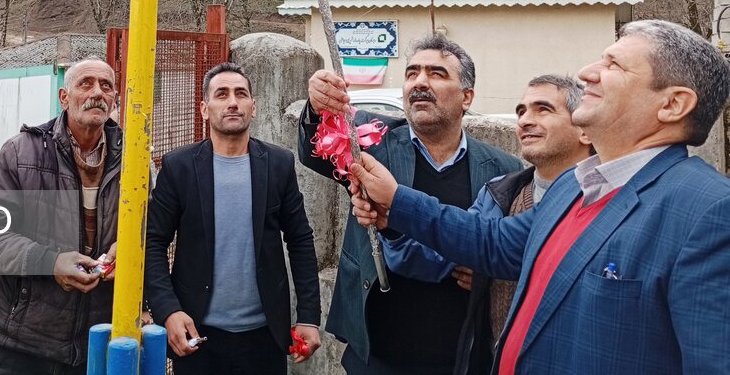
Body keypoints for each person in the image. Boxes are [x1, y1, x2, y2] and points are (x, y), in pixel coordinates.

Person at [350, 20, 730, 375]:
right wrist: (396, 199)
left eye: (614, 64)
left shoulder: (709, 213)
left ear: (672, 104)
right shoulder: (575, 187)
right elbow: (493, 242)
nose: (587, 73)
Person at [298, 35, 521, 375]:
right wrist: (317, 106)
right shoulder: (371, 145)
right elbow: (315, 150)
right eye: (412, 72)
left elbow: (509, 250)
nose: (419, 82)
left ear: (467, 96)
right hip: (378, 354)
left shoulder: (503, 169)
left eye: (436, 73)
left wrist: (489, 275)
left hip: (460, 358)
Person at [383, 74, 593, 375]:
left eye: (543, 109)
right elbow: (443, 254)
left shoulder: (599, 201)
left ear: (584, 130)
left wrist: (494, 272)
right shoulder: (500, 193)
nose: (525, 121)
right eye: (521, 111)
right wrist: (391, 222)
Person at [145, 62, 321, 374]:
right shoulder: (178, 167)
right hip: (198, 334)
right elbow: (153, 243)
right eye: (221, 94)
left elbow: (300, 241)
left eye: (241, 94)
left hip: (265, 336)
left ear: (253, 107)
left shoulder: (278, 164)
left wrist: (308, 315)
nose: (232, 102)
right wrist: (168, 310)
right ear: (204, 108)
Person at [0, 57, 121, 375]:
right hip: (20, 341)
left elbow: (153, 233)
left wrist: (129, 252)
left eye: (106, 86)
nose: (97, 93)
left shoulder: (135, 160)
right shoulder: (21, 152)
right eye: (86, 84)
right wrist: (50, 262)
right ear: (63, 98)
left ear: (114, 99)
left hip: (98, 339)